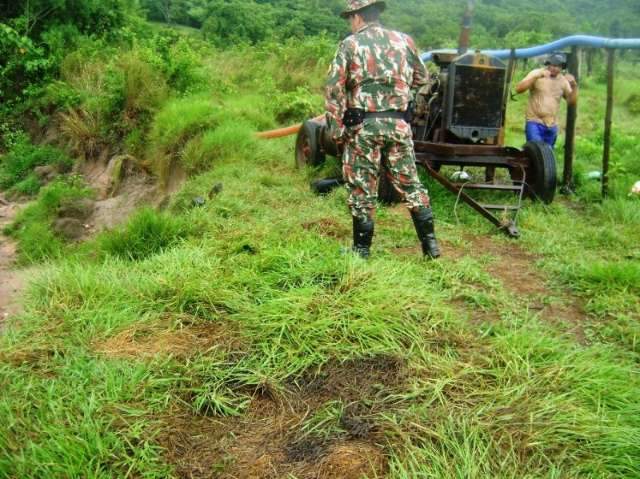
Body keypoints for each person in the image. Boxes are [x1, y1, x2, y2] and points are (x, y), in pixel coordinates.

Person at [325, 0, 440, 259]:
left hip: (363, 127)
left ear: (357, 17)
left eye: (350, 18)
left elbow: (334, 88)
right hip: (399, 125)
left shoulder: (350, 44)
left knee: (362, 188)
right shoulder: (404, 41)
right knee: (411, 185)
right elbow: (423, 79)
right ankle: (430, 246)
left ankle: (361, 251)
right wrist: (400, 98)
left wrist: (337, 130)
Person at [515, 53, 578, 147]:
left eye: (558, 66)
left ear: (562, 68)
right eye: (553, 65)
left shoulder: (563, 81)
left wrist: (574, 85)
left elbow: (571, 102)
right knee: (536, 151)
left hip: (552, 125)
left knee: (547, 156)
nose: (555, 68)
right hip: (534, 122)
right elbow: (519, 89)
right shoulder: (537, 73)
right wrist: (535, 77)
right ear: (548, 64)